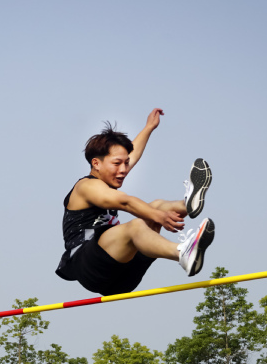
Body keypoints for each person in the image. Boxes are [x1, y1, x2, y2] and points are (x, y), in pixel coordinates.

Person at [55, 110, 215, 297]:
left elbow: (133, 153)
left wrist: (149, 128)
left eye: (126, 164)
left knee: (156, 206)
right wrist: (159, 217)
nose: (124, 170)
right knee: (139, 223)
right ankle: (182, 253)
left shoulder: (111, 175)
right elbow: (125, 202)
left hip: (124, 274)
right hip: (89, 266)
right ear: (96, 163)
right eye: (117, 164)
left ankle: (188, 204)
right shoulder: (86, 186)